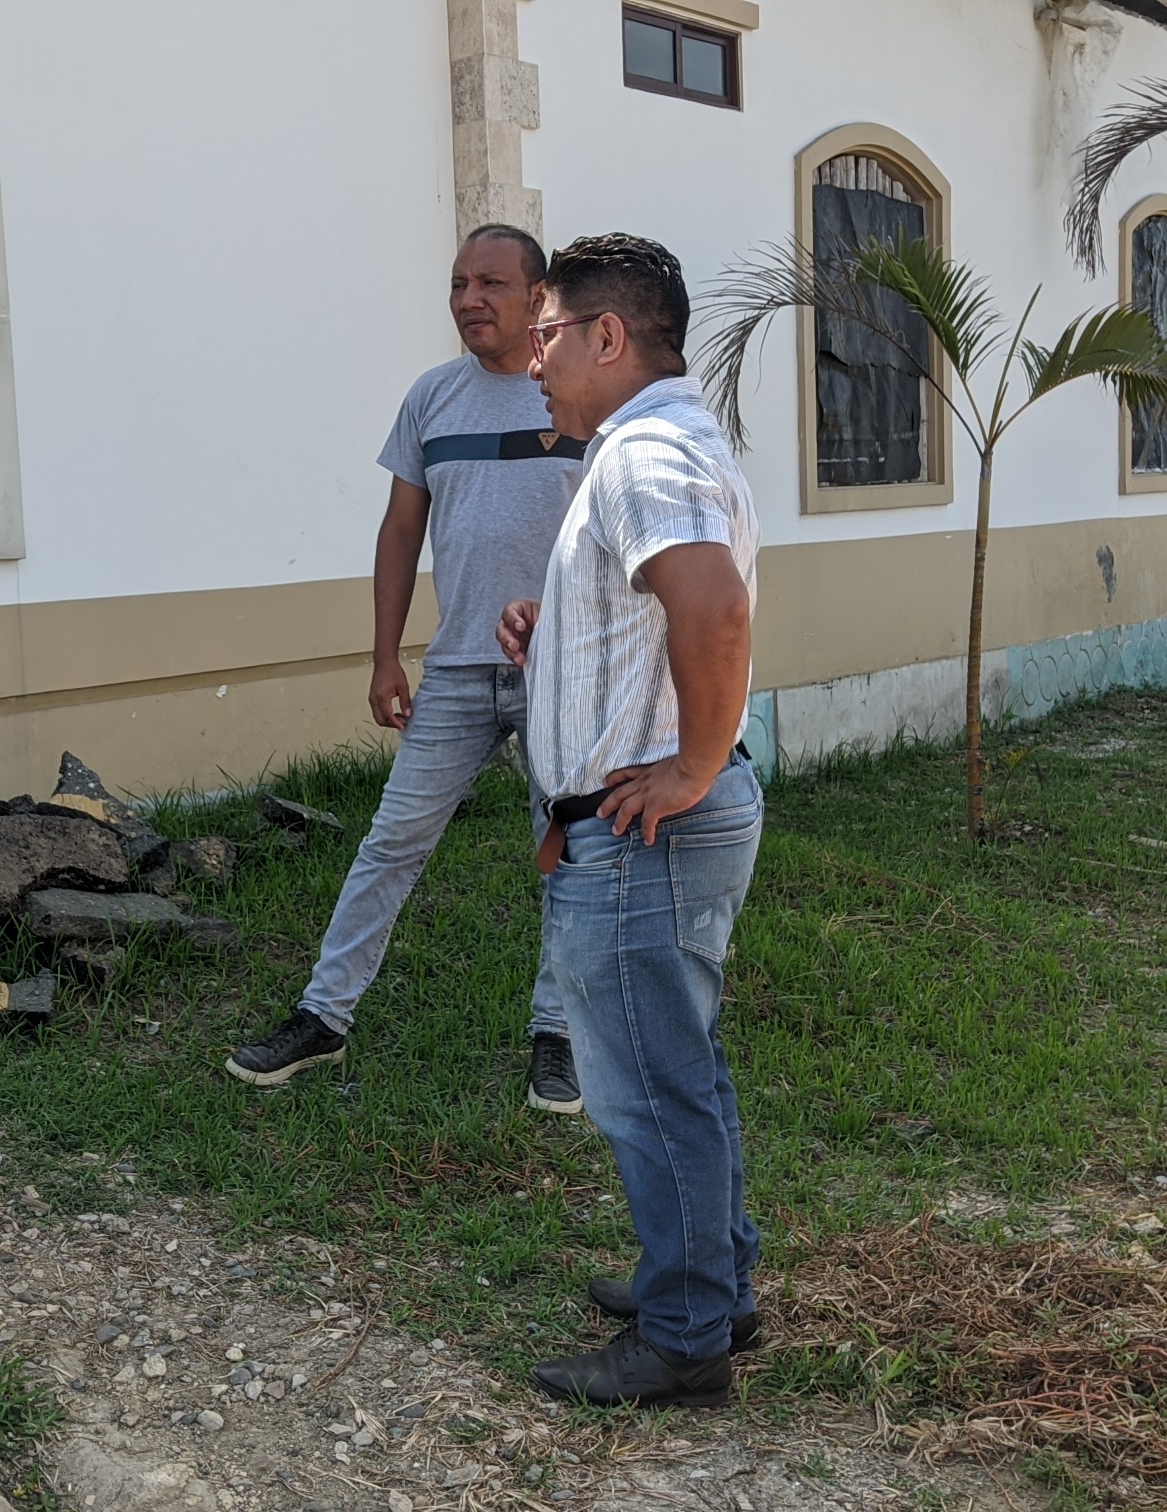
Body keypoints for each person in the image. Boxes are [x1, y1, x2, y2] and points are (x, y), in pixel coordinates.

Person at [224, 225, 590, 1114]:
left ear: (538, 297)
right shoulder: (432, 398)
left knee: (567, 850)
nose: (469, 299)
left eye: (491, 283)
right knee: (392, 841)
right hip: (459, 667)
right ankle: (324, 1017)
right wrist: (385, 654)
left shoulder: (577, 396)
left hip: (561, 669)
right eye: (459, 283)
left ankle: (560, 1034)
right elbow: (400, 530)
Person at [498, 234, 766, 1406]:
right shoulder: (661, 446)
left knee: (649, 1088)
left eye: (546, 335)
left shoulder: (643, 452)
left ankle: (687, 1336)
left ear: (607, 336)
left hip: (644, 836)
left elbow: (711, 610)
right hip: (640, 829)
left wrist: (692, 768)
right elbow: (663, 615)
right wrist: (556, 627)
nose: (533, 363)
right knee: (679, 1069)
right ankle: (712, 1284)